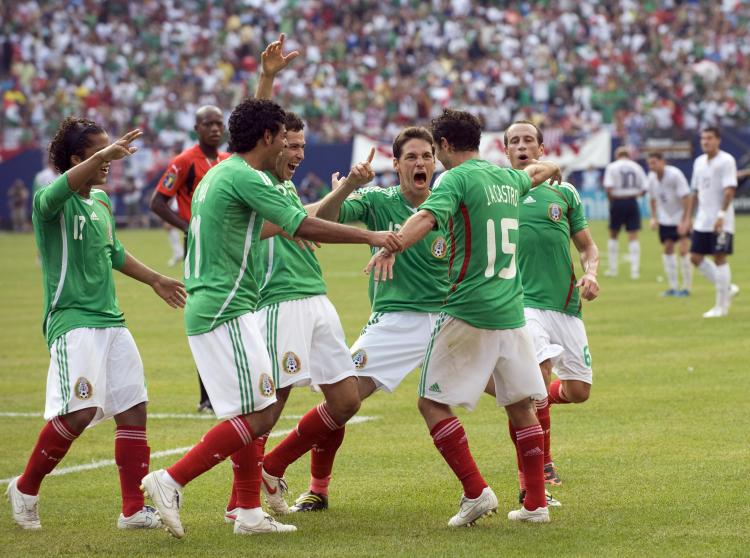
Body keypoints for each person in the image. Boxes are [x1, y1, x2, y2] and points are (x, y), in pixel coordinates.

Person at [140, 97, 402, 539]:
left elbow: (273, 226)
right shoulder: (244, 175)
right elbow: (301, 224)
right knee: (260, 414)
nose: (289, 145)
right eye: (284, 137)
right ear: (267, 137)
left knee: (255, 409)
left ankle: (246, 512)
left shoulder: (224, 173)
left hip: (228, 305)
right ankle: (171, 480)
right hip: (226, 306)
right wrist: (371, 235)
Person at [368, 109, 562, 525]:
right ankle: (535, 504)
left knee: (430, 402)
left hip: (468, 307)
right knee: (520, 406)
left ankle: (476, 492)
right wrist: (555, 165)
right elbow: (540, 171)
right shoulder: (506, 177)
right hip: (511, 310)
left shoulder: (454, 179)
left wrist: (393, 244)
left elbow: (425, 217)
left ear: (443, 146)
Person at [6, 118, 187, 531]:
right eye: (99, 152)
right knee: (79, 411)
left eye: (111, 151)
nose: (111, 159)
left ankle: (132, 511)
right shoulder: (48, 201)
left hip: (111, 319)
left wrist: (156, 278)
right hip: (72, 320)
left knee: (133, 408)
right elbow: (58, 190)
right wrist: (106, 155)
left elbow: (114, 252)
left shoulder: (101, 201)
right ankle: (26, 488)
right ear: (76, 158)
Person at [263, 126, 446, 515]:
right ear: (395, 165)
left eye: (426, 156)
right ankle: (308, 484)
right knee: (343, 398)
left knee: (517, 392)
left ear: (436, 162)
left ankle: (537, 484)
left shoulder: (450, 201)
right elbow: (326, 220)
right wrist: (346, 188)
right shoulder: (377, 199)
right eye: (411, 157)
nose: (420, 163)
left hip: (450, 318)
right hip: (395, 323)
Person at [497, 120, 599, 504]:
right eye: (514, 141)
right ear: (505, 150)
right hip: (520, 303)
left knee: (578, 391)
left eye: (528, 140)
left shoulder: (565, 192)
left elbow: (588, 248)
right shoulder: (499, 190)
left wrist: (590, 274)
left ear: (541, 148)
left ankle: (535, 405)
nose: (522, 146)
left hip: (565, 305)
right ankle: (539, 469)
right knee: (535, 379)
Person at [149, 105, 229, 413]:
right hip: (199, 246)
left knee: (231, 311)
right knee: (206, 312)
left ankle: (223, 392)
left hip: (228, 244)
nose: (214, 128)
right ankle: (207, 397)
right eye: (208, 123)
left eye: (218, 123)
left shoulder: (225, 161)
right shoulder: (183, 162)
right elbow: (157, 202)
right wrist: (189, 227)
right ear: (196, 128)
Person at [687, 127, 740, 318]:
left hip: (721, 220)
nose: (705, 142)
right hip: (702, 219)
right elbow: (694, 191)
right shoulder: (699, 162)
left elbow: (729, 190)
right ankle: (728, 287)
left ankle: (721, 307)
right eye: (703, 138)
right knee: (695, 257)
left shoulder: (726, 161)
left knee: (719, 257)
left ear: (718, 140)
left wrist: (721, 214)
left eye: (709, 138)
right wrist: (688, 218)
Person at [646, 152, 693, 297]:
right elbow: (653, 199)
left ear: (662, 162)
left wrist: (686, 220)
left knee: (684, 250)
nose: (652, 166)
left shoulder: (675, 175)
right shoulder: (652, 178)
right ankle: (673, 287)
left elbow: (686, 197)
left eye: (654, 162)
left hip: (680, 217)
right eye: (650, 163)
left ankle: (686, 287)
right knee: (667, 249)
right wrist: (654, 217)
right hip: (666, 218)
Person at [603, 146, 648, 279]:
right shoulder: (636, 167)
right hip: (632, 201)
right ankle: (634, 271)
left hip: (617, 201)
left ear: (617, 155)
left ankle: (613, 269)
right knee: (633, 235)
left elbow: (608, 188)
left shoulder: (612, 167)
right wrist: (634, 195)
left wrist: (612, 202)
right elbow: (645, 188)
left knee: (613, 235)